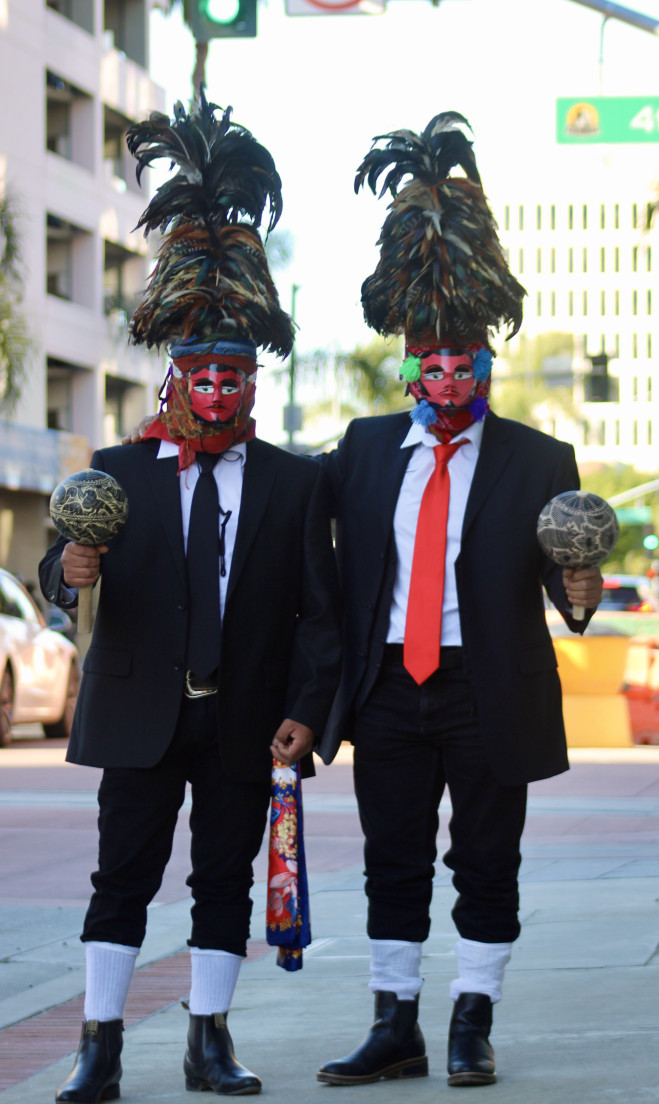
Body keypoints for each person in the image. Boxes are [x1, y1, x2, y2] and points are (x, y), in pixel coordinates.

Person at [38, 92, 340, 1103]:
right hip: (135, 713)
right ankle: (99, 1047)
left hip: (246, 717)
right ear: (175, 371)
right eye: (202, 371)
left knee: (224, 881)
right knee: (119, 878)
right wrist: (66, 573)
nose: (219, 387)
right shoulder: (117, 469)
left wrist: (304, 711)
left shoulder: (297, 482)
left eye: (236, 372)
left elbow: (320, 612)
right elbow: (58, 565)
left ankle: (210, 1040)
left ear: (255, 376)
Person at [313, 113, 603, 1088]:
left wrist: (581, 585)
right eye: (427, 361)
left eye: (461, 361)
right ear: (406, 363)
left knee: (486, 863)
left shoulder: (538, 460)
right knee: (391, 860)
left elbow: (569, 590)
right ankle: (394, 1024)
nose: (443, 376)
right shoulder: (356, 453)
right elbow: (308, 571)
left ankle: (471, 1021)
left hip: (491, 690)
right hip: (389, 688)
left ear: (487, 363)